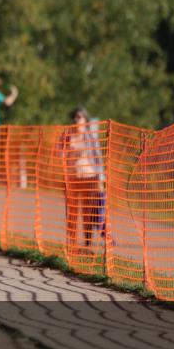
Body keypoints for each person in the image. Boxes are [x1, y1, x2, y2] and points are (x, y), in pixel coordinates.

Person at [59, 107, 106, 251]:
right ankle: (71, 243)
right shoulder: (66, 135)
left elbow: (98, 158)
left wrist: (101, 178)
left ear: (85, 120)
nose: (76, 119)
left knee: (87, 213)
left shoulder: (91, 137)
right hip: (72, 178)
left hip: (89, 177)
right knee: (72, 212)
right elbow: (58, 153)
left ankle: (87, 244)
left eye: (79, 117)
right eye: (74, 116)